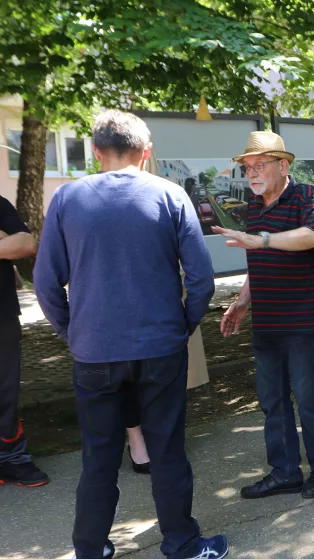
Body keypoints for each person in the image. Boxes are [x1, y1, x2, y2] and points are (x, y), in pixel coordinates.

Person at [33, 110, 227, 559]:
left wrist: (71, 330)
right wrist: (182, 327)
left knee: (98, 456)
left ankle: (90, 548)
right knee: (167, 450)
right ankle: (182, 544)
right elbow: (201, 279)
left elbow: (45, 283)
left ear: (96, 151)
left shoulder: (66, 199)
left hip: (94, 352)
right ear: (147, 152)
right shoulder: (170, 195)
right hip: (160, 347)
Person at [216, 131, 314, 501]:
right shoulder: (255, 206)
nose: (251, 173)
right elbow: (259, 262)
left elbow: (313, 237)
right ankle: (285, 471)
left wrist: (262, 239)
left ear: (283, 166)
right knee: (272, 400)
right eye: (248, 167)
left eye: (260, 165)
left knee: (308, 395)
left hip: (302, 320)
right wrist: (242, 301)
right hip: (267, 321)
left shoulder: (304, 195)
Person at [124, 150, 213, 475]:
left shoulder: (74, 198)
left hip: (138, 314)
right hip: (149, 313)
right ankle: (143, 442)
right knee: (145, 378)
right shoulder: (169, 196)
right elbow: (201, 277)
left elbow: (52, 279)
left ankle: (144, 442)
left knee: (139, 378)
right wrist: (187, 320)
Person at [0, 195, 47, 488]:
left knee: (5, 393)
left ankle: (12, 460)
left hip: (1, 315)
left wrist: (9, 243)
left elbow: (26, 244)